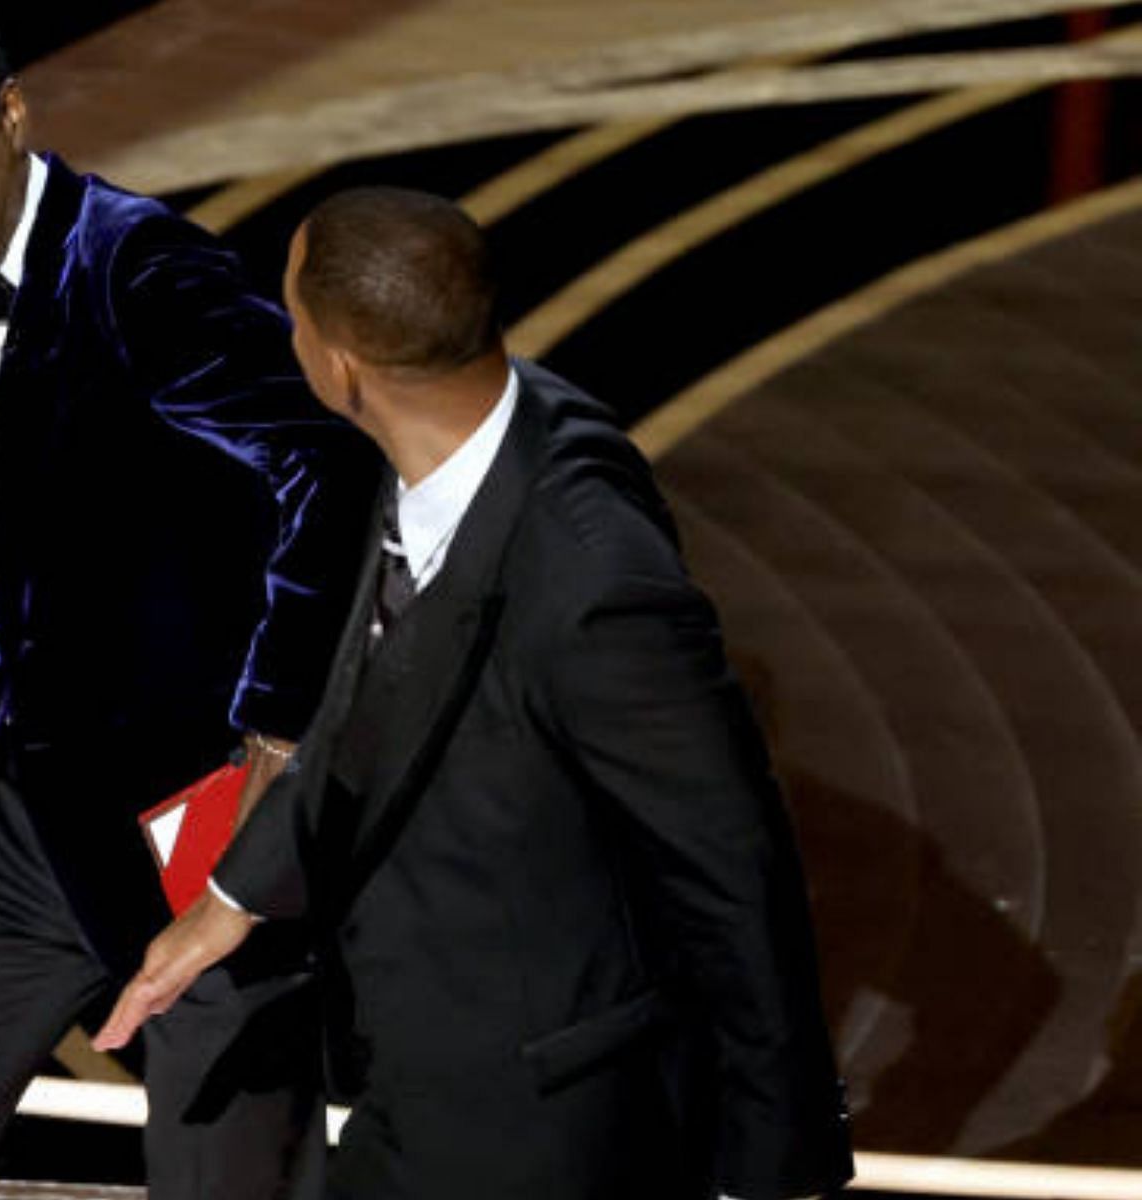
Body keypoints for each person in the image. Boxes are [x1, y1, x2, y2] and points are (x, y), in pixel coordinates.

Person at [96, 187, 855, 1200]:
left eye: (294, 317)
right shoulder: (470, 431)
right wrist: (236, 892)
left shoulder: (596, 585)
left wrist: (770, 1165)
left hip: (534, 1117)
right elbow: (377, 696)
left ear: (340, 368)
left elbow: (729, 862)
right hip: (419, 1060)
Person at [0, 3, 377, 1198]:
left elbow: (333, 458)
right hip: (24, 829)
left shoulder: (136, 266)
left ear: (11, 116)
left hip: (196, 833)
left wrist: (273, 735)